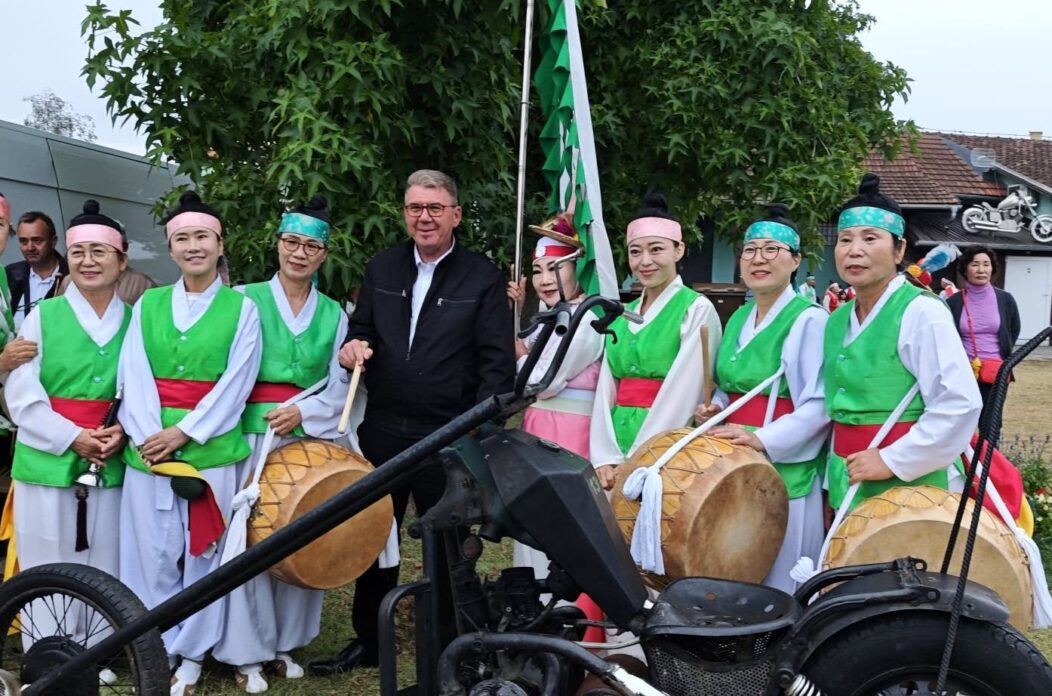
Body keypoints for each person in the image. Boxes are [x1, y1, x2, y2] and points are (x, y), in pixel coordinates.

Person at [311, 169, 515, 675]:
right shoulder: (383, 269)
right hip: (382, 430)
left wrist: (477, 435)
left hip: (447, 437)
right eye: (415, 208)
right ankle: (370, 641)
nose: (424, 217)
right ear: (405, 213)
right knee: (373, 540)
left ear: (455, 215)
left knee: (449, 551)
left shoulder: (481, 277)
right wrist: (352, 347)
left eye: (435, 208)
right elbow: (359, 332)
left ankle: (453, 646)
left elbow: (496, 367)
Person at [117, 191, 262, 694]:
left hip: (211, 448)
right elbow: (132, 373)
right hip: (150, 446)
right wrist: (149, 434)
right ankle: (158, 641)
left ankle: (196, 651)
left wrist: (186, 432)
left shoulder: (241, 309)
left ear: (220, 244)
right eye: (183, 238)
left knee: (206, 552)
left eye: (202, 236)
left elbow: (238, 381)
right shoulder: (148, 304)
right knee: (152, 550)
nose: (193, 246)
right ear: (171, 247)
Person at [213, 196, 354, 693]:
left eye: (310, 246)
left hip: (306, 438)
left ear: (323, 255)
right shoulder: (246, 299)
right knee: (251, 540)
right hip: (252, 434)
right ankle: (243, 651)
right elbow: (226, 372)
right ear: (278, 245)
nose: (299, 253)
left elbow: (340, 386)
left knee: (301, 536)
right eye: (291, 242)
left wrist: (307, 412)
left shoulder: (335, 313)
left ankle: (284, 642)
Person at [5, 201, 129, 674]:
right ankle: (46, 654)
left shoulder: (136, 321)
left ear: (121, 260)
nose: (88, 261)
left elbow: (142, 386)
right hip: (48, 453)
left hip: (108, 452)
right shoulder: (42, 317)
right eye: (78, 252)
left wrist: (123, 430)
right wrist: (71, 436)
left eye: (99, 251)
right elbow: (22, 389)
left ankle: (95, 652)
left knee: (103, 554)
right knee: (46, 555)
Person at [824, 174, 981, 512]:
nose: (855, 250)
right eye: (845, 239)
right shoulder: (837, 318)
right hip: (847, 474)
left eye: (870, 238)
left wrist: (893, 460)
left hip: (910, 482)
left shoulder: (921, 311)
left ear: (899, 250)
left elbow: (960, 403)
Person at [698, 204, 829, 593]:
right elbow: (728, 386)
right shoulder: (738, 316)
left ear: (795, 261)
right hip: (735, 458)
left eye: (772, 249)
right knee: (735, 561)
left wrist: (764, 438)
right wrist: (716, 407)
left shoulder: (809, 318)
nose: (759, 259)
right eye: (750, 250)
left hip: (782, 462)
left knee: (778, 571)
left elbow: (819, 404)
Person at [590, 193, 722, 490]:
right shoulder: (623, 314)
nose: (644, 261)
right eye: (635, 252)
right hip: (614, 449)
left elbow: (683, 391)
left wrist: (641, 458)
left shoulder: (696, 309)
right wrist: (603, 455)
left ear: (679, 250)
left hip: (665, 450)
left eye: (656, 249)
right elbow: (605, 388)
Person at [505, 226, 604, 573]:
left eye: (556, 267)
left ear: (578, 267)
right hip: (541, 432)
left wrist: (513, 343)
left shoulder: (586, 318)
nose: (545, 279)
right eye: (538, 270)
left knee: (561, 534)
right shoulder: (555, 315)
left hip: (568, 439)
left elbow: (539, 381)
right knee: (536, 530)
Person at [945, 245, 1021, 418]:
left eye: (986, 264)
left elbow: (1013, 329)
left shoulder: (1005, 299)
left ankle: (989, 447)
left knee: (991, 423)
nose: (981, 270)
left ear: (992, 268)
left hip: (995, 372)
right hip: (963, 373)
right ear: (965, 269)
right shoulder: (954, 302)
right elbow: (947, 336)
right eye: (975, 264)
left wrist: (1002, 359)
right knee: (961, 422)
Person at [6, 211, 68, 329]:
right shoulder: (9, 274)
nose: (30, 247)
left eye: (37, 240)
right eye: (23, 241)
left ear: (53, 241)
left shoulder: (72, 277)